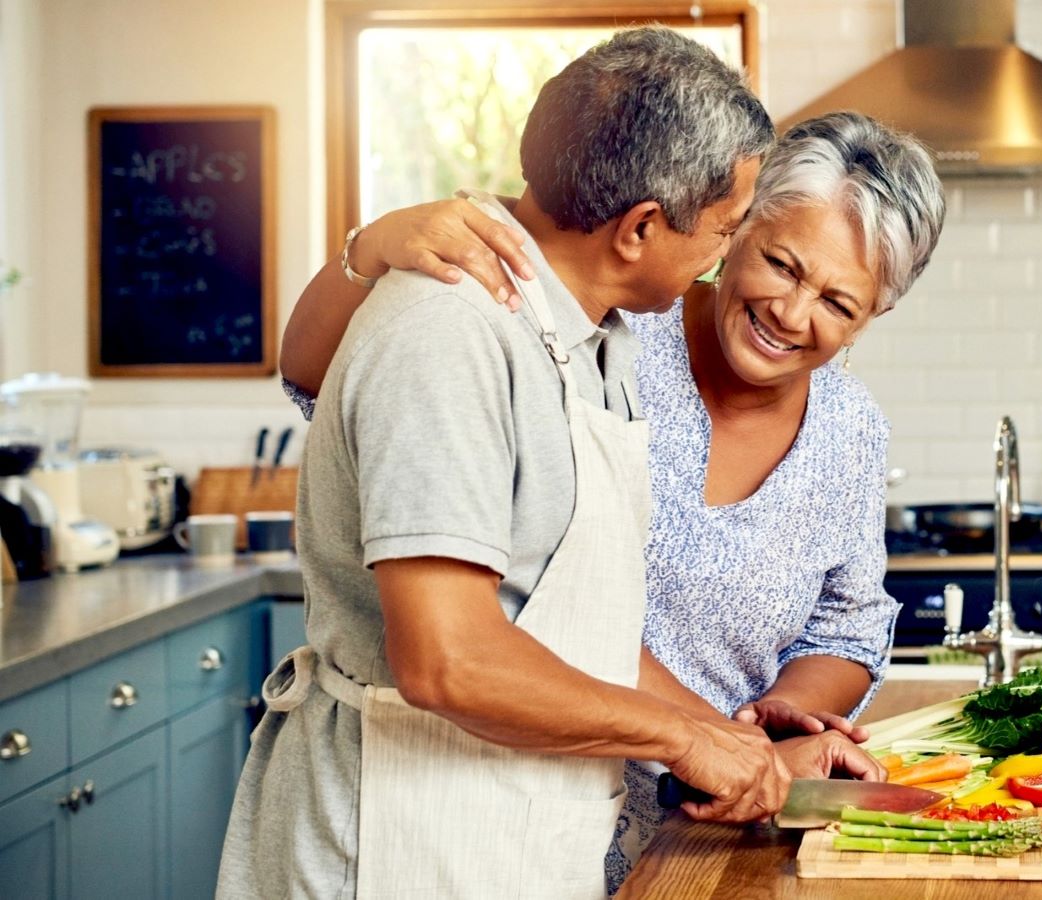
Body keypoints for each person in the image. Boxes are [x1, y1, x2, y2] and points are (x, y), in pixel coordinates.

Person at [216, 29, 886, 900]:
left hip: (506, 829)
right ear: (640, 227)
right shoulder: (447, 332)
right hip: (391, 839)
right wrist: (684, 740)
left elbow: (574, 627)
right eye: (727, 232)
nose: (722, 261)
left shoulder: (591, 337)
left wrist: (747, 750)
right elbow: (449, 661)